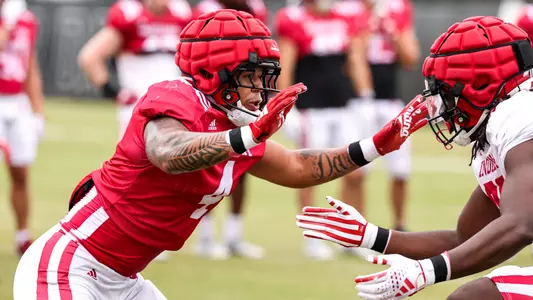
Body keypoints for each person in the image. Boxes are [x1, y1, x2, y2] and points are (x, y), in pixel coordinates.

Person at [13, 10, 427, 299]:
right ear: (218, 73)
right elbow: (169, 152)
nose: (262, 90)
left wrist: (377, 145)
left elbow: (300, 166)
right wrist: (245, 137)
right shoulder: (175, 95)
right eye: (253, 77)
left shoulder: (235, 128)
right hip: (68, 266)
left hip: (123, 279)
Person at [296, 15, 533, 300]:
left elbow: (521, 224)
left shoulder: (519, 112)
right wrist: (372, 236)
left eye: (447, 93)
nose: (443, 107)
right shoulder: (495, 135)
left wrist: (427, 272)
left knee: (476, 297)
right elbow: (466, 239)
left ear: (482, 85)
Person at [274, 0, 374, 260]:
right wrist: (288, 106)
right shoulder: (294, 19)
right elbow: (286, 63)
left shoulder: (346, 16)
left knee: (356, 171)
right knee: (308, 172)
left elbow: (355, 59)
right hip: (311, 109)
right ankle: (312, 238)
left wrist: (365, 96)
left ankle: (351, 237)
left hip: (343, 105)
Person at [190, 0, 269, 260]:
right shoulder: (206, 9)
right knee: (209, 162)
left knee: (243, 162)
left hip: (242, 90)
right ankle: (205, 236)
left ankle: (234, 236)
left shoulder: (255, 7)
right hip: (213, 89)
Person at [347, 0, 420, 237]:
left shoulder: (398, 8)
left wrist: (391, 30)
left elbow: (410, 57)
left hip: (390, 100)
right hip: (358, 101)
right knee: (356, 170)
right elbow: (351, 56)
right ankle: (355, 228)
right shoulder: (349, 9)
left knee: (401, 169)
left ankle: (400, 225)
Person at [78, 0, 192, 139]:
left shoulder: (180, 11)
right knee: (136, 156)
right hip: (139, 105)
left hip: (175, 104)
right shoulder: (130, 13)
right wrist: (114, 92)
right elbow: (90, 57)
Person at [0, 0, 45, 256]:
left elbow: (29, 65)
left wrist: (38, 109)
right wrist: (7, 22)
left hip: (17, 102)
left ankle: (22, 234)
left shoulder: (25, 17)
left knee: (20, 170)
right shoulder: (11, 17)